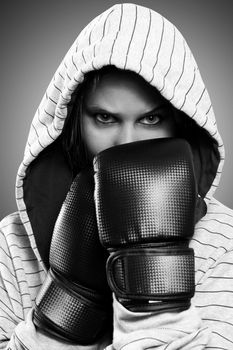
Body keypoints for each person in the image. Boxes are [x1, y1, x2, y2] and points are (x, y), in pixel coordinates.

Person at [0, 2, 233, 349]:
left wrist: (155, 293)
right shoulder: (12, 240)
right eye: (105, 119)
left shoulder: (225, 241)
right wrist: (66, 307)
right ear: (73, 124)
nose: (126, 143)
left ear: (182, 126)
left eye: (150, 120)